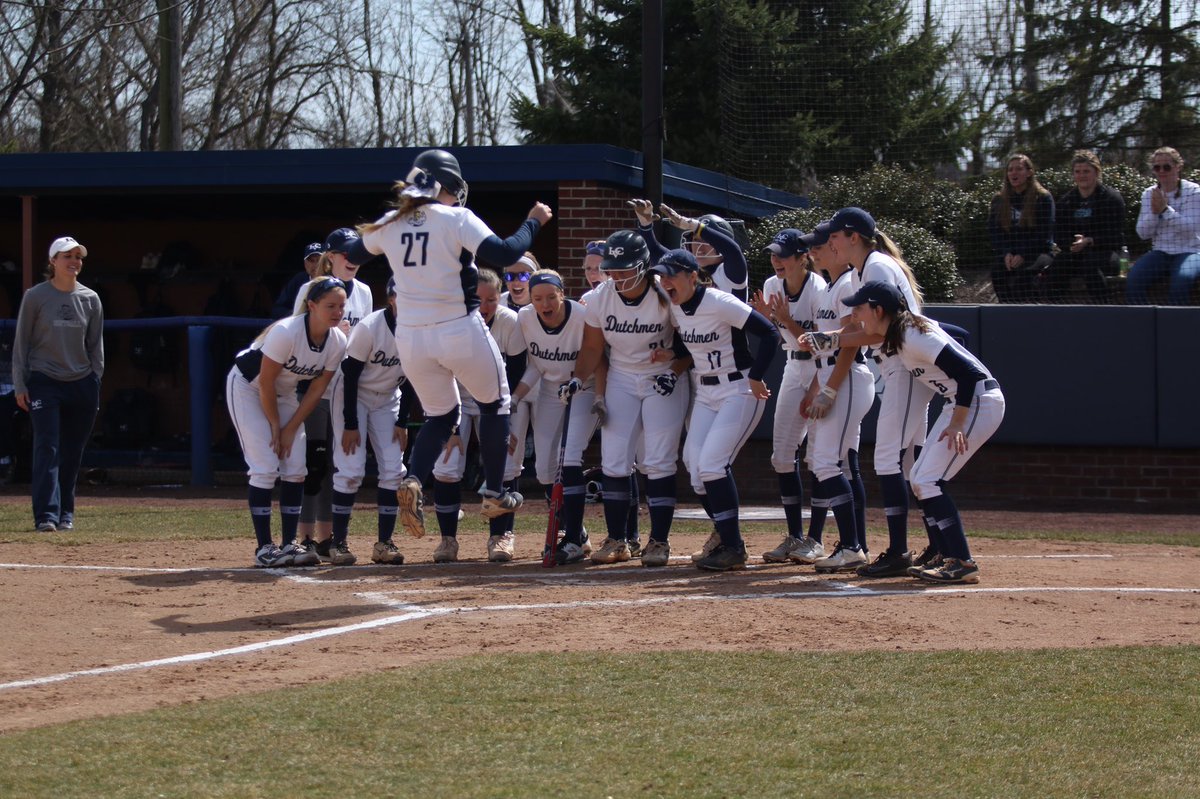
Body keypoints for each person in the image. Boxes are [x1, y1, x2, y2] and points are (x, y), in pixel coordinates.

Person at [348, 148, 553, 538]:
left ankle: (413, 480)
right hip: (457, 326)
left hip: (409, 335)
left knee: (442, 415)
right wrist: (533, 221)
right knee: (496, 403)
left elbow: (355, 252)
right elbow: (508, 253)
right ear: (449, 186)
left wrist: (395, 221)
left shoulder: (392, 220)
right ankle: (494, 491)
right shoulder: (456, 216)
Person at [844, 280, 1005, 583]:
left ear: (879, 310)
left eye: (860, 308)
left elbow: (968, 373)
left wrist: (958, 422)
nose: (855, 315)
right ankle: (948, 555)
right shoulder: (903, 330)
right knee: (920, 478)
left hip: (978, 403)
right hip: (965, 402)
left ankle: (962, 561)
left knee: (928, 479)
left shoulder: (911, 335)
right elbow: (958, 337)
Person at [803, 207, 934, 578]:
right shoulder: (870, 267)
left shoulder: (875, 267)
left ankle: (897, 551)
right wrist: (837, 334)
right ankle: (935, 543)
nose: (829, 243)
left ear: (853, 237)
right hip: (905, 363)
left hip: (904, 364)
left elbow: (883, 332)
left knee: (890, 459)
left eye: (835, 237)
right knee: (912, 463)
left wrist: (832, 337)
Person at [649, 243, 779, 572]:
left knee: (711, 466)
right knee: (694, 468)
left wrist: (757, 377)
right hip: (706, 391)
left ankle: (733, 547)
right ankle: (725, 534)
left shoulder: (718, 301)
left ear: (693, 276)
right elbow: (690, 340)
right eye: (662, 276)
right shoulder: (677, 305)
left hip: (739, 388)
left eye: (672, 276)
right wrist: (649, 231)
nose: (665, 282)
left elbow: (769, 334)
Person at [566, 229, 690, 567]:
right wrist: (578, 379)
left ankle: (659, 541)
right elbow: (593, 346)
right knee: (614, 461)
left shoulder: (664, 294)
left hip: (660, 378)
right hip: (621, 375)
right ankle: (618, 539)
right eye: (612, 268)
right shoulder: (599, 298)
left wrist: (674, 366)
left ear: (643, 265)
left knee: (659, 461)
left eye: (624, 268)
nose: (616, 275)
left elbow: (689, 343)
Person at [225, 277, 348, 567]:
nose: (337, 312)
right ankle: (264, 548)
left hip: (285, 393)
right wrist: (275, 427)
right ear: (312, 305)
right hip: (249, 388)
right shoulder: (287, 331)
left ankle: (289, 544)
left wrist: (290, 428)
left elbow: (317, 389)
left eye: (341, 306)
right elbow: (265, 382)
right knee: (265, 466)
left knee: (296, 468)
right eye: (330, 306)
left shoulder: (337, 341)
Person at [791, 216, 875, 574]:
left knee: (827, 462)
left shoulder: (848, 284)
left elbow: (850, 345)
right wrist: (816, 386)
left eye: (822, 244)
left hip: (848, 378)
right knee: (835, 463)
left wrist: (828, 388)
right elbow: (829, 345)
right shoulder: (829, 286)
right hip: (833, 379)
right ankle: (854, 543)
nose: (815, 251)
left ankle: (852, 545)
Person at [431, 268, 528, 563]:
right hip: (457, 399)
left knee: (506, 465)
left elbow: (515, 372)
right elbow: (438, 375)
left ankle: (500, 537)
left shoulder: (510, 322)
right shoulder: (449, 324)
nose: (484, 307)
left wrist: (503, 423)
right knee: (445, 466)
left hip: (499, 402)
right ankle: (448, 540)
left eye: (491, 300)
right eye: (477, 299)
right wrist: (447, 427)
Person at [293, 228, 376, 561]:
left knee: (336, 463)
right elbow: (297, 335)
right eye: (344, 253)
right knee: (312, 461)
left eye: (355, 253)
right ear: (330, 256)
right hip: (314, 385)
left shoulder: (365, 293)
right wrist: (330, 331)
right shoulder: (310, 289)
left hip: (347, 386)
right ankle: (303, 538)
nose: (351, 259)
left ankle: (329, 538)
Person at [12, 236, 104, 532]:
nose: (74, 261)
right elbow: (21, 343)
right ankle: (46, 516)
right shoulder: (35, 296)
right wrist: (20, 384)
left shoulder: (90, 298)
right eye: (67, 256)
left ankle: (66, 513)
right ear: (53, 261)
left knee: (72, 451)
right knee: (47, 447)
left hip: (81, 383)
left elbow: (95, 344)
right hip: (44, 381)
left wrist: (94, 379)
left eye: (78, 256)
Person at [515, 270, 601, 564]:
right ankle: (578, 531)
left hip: (583, 387)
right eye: (538, 298)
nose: (545, 303)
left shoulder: (581, 316)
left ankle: (573, 539)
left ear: (562, 294)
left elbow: (599, 354)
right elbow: (537, 366)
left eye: (551, 296)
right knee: (544, 469)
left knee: (571, 457)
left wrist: (594, 390)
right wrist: (515, 397)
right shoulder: (525, 318)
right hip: (551, 391)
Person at [751, 229, 826, 564]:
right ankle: (795, 536)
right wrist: (766, 319)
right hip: (793, 368)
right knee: (782, 455)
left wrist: (784, 320)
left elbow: (822, 345)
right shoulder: (771, 286)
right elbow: (772, 332)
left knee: (820, 459)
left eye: (783, 255)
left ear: (802, 257)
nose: (776, 260)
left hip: (824, 371)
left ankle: (816, 539)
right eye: (773, 255)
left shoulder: (820, 290)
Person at [328, 276, 409, 566]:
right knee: (351, 468)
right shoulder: (371, 327)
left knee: (393, 469)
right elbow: (350, 376)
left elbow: (416, 376)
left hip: (388, 397)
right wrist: (351, 424)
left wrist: (404, 419)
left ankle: (384, 544)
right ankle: (338, 544)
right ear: (390, 298)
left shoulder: (421, 328)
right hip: (354, 395)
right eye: (401, 294)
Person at [1046, 150, 1126, 303]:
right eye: (1078, 172)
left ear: (1096, 172)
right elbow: (1059, 233)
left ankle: (1103, 309)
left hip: (1106, 253)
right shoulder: (1066, 201)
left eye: (1086, 171)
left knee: (1089, 266)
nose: (1082, 175)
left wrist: (1089, 240)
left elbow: (1115, 234)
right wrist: (1073, 243)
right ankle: (1054, 311)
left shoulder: (1111, 198)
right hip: (1074, 254)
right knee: (1058, 266)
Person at [1127, 146, 1200, 305]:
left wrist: (1165, 210)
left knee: (1181, 280)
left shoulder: (1194, 191)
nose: (1161, 171)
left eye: (1166, 166)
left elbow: (1192, 229)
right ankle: (1144, 324)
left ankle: (1176, 326)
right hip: (1161, 252)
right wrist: (1154, 213)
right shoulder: (1149, 193)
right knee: (1133, 280)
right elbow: (1142, 233)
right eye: (1156, 167)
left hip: (1190, 251)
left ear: (1178, 167)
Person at [988, 154, 1055, 303]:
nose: (1014, 173)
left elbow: (1044, 233)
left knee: (1024, 276)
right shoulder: (999, 200)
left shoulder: (1043, 198)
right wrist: (1007, 253)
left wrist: (1023, 254)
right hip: (1010, 255)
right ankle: (1005, 309)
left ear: (1029, 172)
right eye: (1010, 169)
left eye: (1019, 169)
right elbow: (995, 233)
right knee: (997, 271)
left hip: (1038, 253)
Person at [271, 242, 325, 318]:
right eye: (311, 261)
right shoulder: (299, 280)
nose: (315, 264)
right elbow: (278, 309)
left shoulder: (334, 280)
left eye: (319, 260)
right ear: (305, 264)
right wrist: (297, 316)